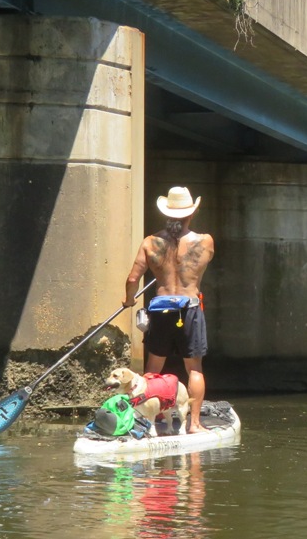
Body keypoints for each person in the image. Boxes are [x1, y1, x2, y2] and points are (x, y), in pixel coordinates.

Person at [123, 186, 214, 433]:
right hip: (190, 309)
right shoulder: (205, 241)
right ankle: (194, 424)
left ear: (167, 213)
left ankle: (144, 419)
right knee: (193, 368)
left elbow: (133, 280)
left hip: (160, 310)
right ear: (191, 214)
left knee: (153, 369)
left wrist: (129, 300)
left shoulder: (150, 242)